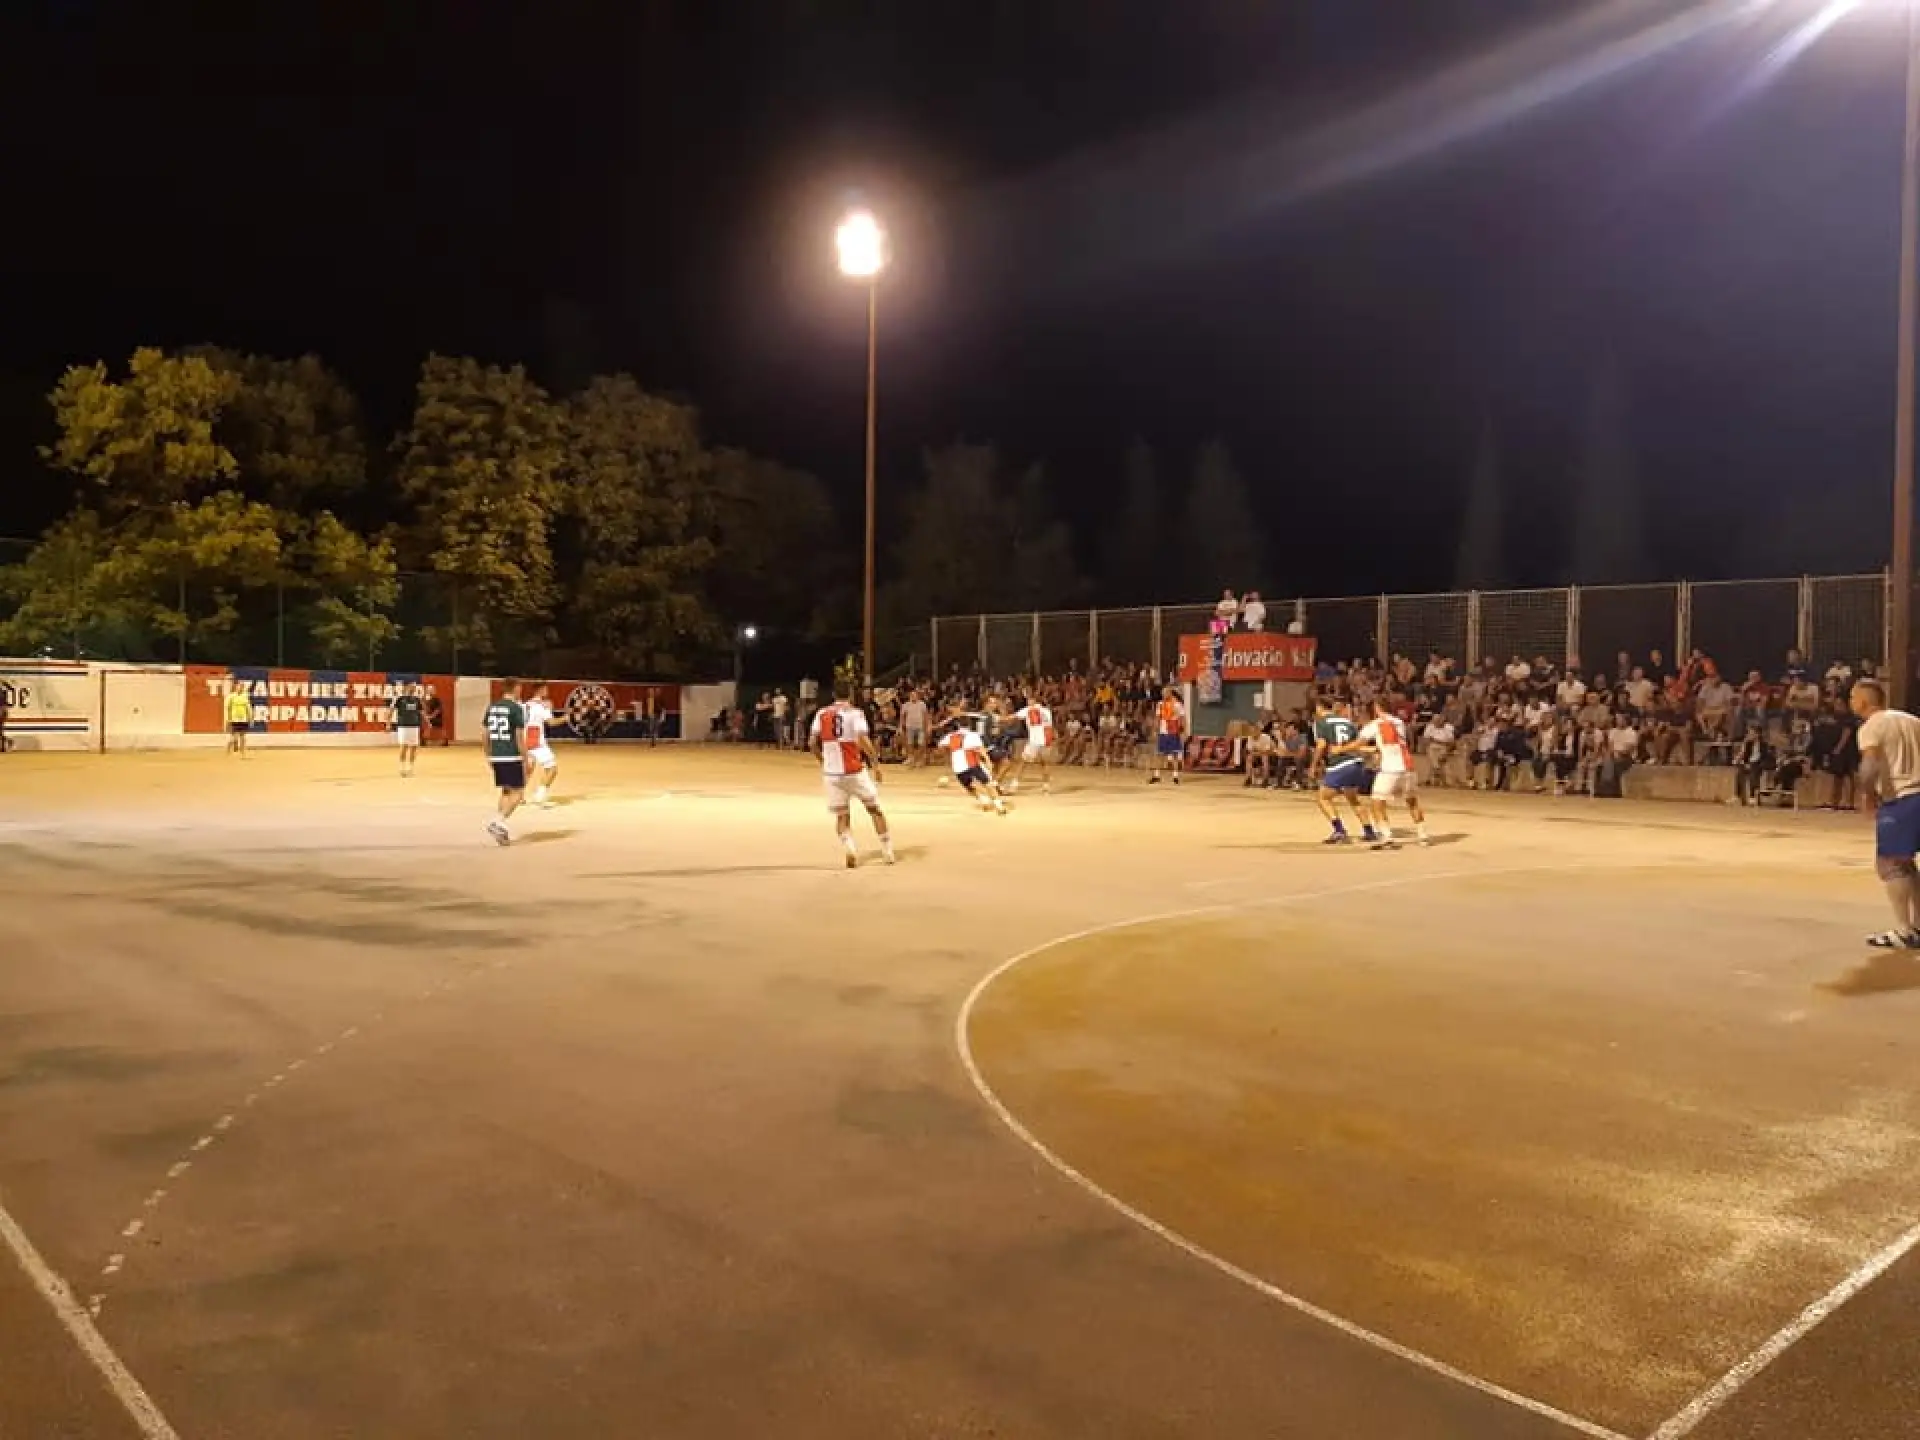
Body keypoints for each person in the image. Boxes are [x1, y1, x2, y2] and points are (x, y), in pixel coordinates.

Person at [1852, 679, 1920, 948]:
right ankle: (1917, 926)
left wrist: (1867, 795)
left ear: (1863, 701)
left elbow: (1869, 764)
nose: (1851, 702)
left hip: (1902, 799)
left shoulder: (1872, 726)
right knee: (1906, 864)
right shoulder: (1912, 720)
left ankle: (1904, 931)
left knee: (1890, 864)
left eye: (1853, 697)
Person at [808, 681, 895, 868]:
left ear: (833, 695)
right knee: (874, 809)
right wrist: (875, 763)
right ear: (850, 694)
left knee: (842, 816)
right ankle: (887, 851)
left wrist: (823, 761)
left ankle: (850, 848)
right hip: (854, 770)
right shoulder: (856, 713)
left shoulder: (821, 713)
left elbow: (812, 743)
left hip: (832, 773)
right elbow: (862, 739)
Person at [1349, 699, 1430, 849]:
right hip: (1408, 766)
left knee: (1377, 802)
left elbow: (1358, 743)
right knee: (1412, 801)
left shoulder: (1375, 724)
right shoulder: (1399, 722)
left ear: (1377, 708)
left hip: (1390, 768)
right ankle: (1423, 835)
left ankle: (1386, 837)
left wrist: (1341, 748)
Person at [1312, 698, 1377, 845]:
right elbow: (1356, 745)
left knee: (1323, 798)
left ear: (1319, 707)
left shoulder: (1321, 722)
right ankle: (1369, 831)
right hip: (1356, 763)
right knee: (1353, 798)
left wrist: (1313, 765)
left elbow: (1321, 745)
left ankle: (1339, 830)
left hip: (1340, 764)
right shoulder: (1349, 723)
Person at [482, 681, 531, 846]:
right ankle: (497, 821)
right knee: (519, 793)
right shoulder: (515, 708)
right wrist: (526, 758)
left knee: (506, 792)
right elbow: (519, 737)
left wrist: (488, 754)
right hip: (512, 755)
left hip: (496, 754)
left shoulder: (492, 707)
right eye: (520, 688)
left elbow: (485, 734)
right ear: (515, 688)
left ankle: (500, 828)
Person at [941, 707, 1008, 815]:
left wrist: (950, 754)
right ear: (969, 725)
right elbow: (981, 750)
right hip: (973, 764)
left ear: (958, 725)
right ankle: (999, 806)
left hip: (958, 768)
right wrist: (988, 762)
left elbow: (941, 746)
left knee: (969, 787)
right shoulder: (973, 735)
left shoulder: (950, 736)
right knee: (988, 784)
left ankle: (983, 799)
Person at [1006, 694, 1055, 794]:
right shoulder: (1046, 711)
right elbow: (1049, 726)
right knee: (1044, 763)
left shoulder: (1028, 709)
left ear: (1034, 701)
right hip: (1046, 739)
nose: (1028, 702)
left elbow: (1013, 717)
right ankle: (1046, 787)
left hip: (1035, 740)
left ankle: (1014, 785)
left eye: (1029, 700)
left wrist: (998, 718)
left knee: (1023, 762)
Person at [524, 683, 559, 807]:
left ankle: (518, 795)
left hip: (525, 738)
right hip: (536, 739)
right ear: (540, 690)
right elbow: (552, 722)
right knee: (552, 769)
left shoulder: (525, 705)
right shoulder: (542, 705)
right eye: (545, 689)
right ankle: (539, 797)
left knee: (528, 768)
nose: (547, 691)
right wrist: (566, 718)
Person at [1150, 686, 1187, 786]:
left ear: (1170, 693)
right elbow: (1158, 718)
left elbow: (1182, 718)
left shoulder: (1177, 704)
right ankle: (1156, 776)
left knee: (1174, 754)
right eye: (1163, 693)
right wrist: (1155, 730)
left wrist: (1184, 731)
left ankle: (1175, 777)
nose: (1163, 694)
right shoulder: (1160, 704)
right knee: (1159, 754)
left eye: (1165, 692)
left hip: (1173, 732)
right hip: (1163, 732)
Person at [389, 682, 424, 778]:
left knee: (414, 747)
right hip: (403, 726)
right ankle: (402, 768)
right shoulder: (399, 699)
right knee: (403, 747)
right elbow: (391, 710)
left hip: (415, 726)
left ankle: (410, 768)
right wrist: (388, 723)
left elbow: (421, 712)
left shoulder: (417, 700)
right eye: (412, 687)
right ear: (407, 688)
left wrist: (428, 721)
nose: (413, 689)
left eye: (414, 687)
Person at [225, 681, 254, 757]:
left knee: (243, 737)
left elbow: (248, 708)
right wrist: (228, 719)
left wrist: (250, 718)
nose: (240, 688)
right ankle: (228, 750)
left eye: (242, 687)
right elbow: (228, 708)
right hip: (234, 720)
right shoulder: (231, 697)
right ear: (236, 687)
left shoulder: (245, 697)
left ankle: (242, 753)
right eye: (239, 686)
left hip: (243, 720)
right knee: (234, 738)